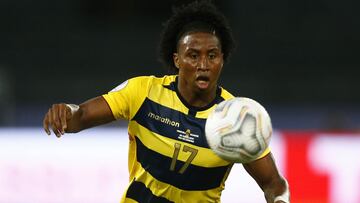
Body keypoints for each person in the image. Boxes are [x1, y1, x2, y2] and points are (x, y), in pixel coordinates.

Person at [43, 1, 290, 202]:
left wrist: (280, 201)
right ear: (177, 60)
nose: (203, 65)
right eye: (193, 56)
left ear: (222, 60)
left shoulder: (236, 117)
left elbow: (273, 184)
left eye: (212, 56)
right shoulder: (143, 92)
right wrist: (66, 111)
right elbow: (81, 116)